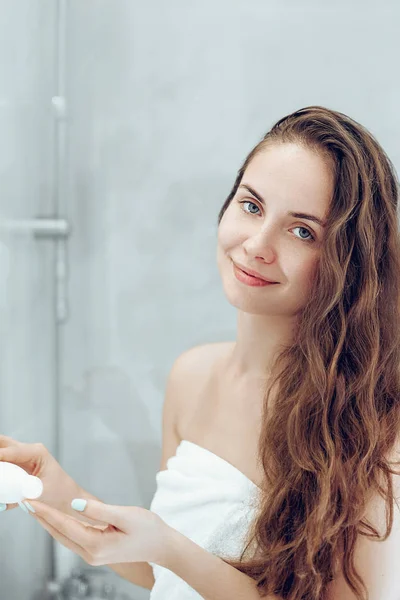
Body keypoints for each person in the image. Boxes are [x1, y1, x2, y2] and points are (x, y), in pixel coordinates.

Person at [1, 105, 400, 600]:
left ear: (348, 263)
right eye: (251, 206)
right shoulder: (190, 376)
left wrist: (171, 548)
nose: (257, 244)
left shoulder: (375, 424)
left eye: (302, 231)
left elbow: (175, 556)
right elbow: (164, 576)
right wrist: (62, 493)